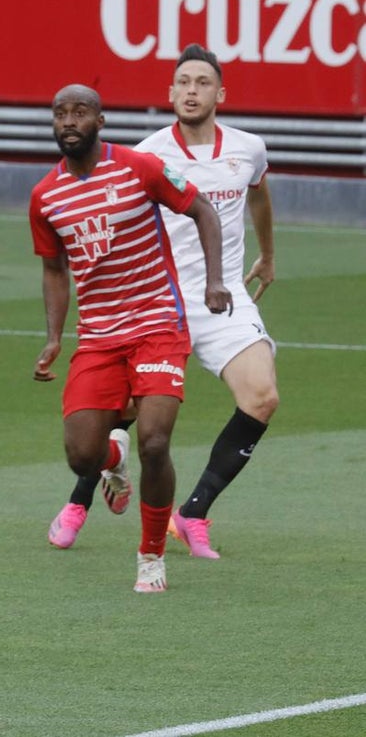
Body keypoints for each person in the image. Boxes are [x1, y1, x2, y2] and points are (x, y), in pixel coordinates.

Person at [45, 45, 278, 559]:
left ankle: (193, 513)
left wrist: (266, 253)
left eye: (201, 82)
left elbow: (258, 193)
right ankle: (80, 501)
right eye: (182, 82)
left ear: (220, 93)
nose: (191, 91)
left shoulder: (248, 148)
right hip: (156, 301)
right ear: (170, 93)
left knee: (261, 398)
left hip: (223, 297)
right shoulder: (147, 154)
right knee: (122, 414)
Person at [29, 84, 231, 593]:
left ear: (100, 121)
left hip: (158, 324)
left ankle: (150, 556)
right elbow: (55, 269)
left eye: (80, 112)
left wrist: (213, 280)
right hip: (98, 338)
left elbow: (202, 210)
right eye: (60, 114)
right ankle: (111, 462)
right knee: (81, 455)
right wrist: (54, 337)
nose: (68, 121)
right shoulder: (45, 197)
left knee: (156, 440)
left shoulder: (139, 167)